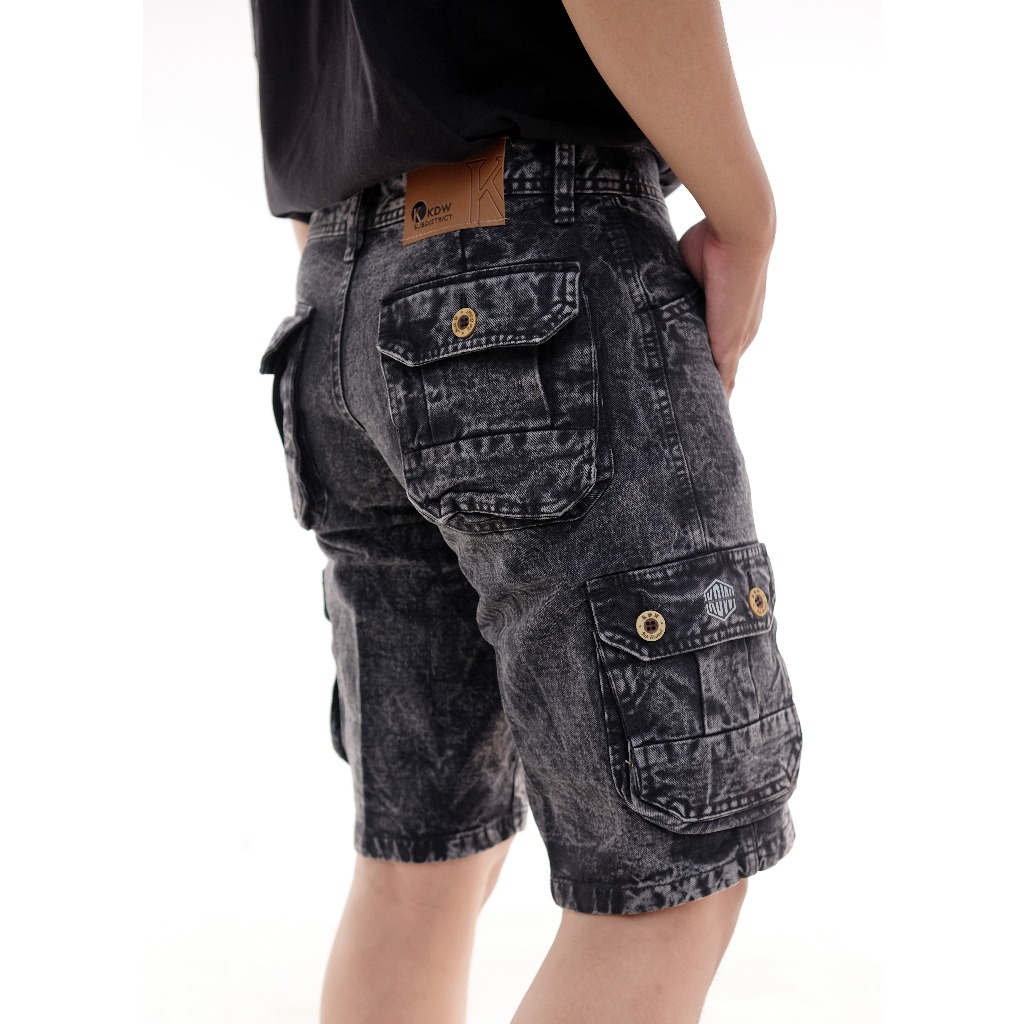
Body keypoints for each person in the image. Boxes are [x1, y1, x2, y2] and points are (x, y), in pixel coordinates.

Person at [249, 1, 803, 1021]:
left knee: (420, 863)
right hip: (536, 268)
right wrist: (747, 217)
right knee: (674, 871)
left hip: (333, 291)